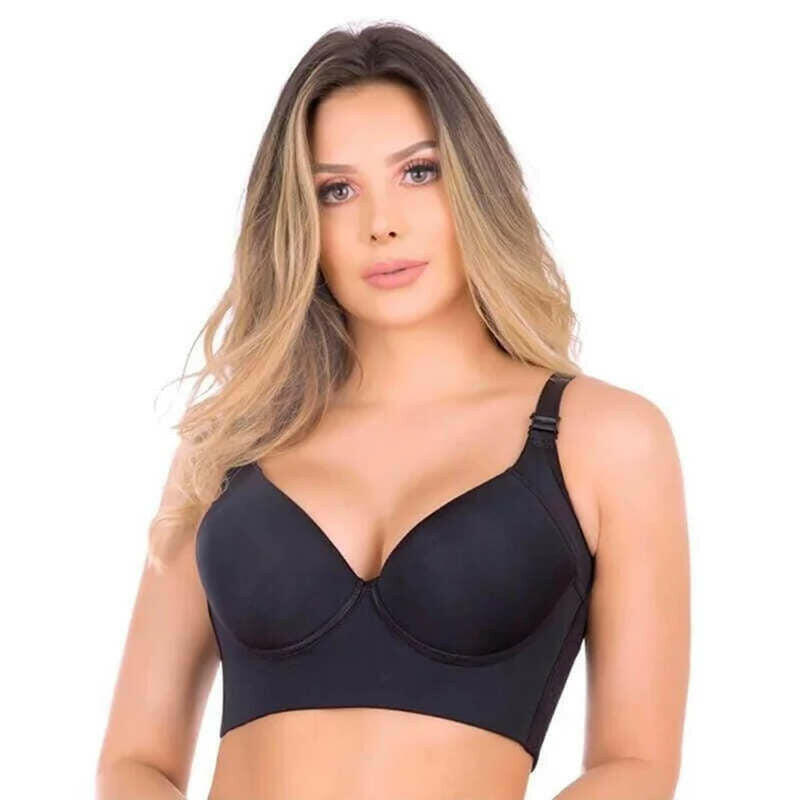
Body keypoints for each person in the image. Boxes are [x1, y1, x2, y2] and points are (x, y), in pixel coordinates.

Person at [95, 22, 690, 800]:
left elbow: (635, 764)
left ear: (476, 185)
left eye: (418, 172)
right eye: (336, 190)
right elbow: (133, 761)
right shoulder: (227, 443)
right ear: (299, 219)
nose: (381, 222)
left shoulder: (605, 439)